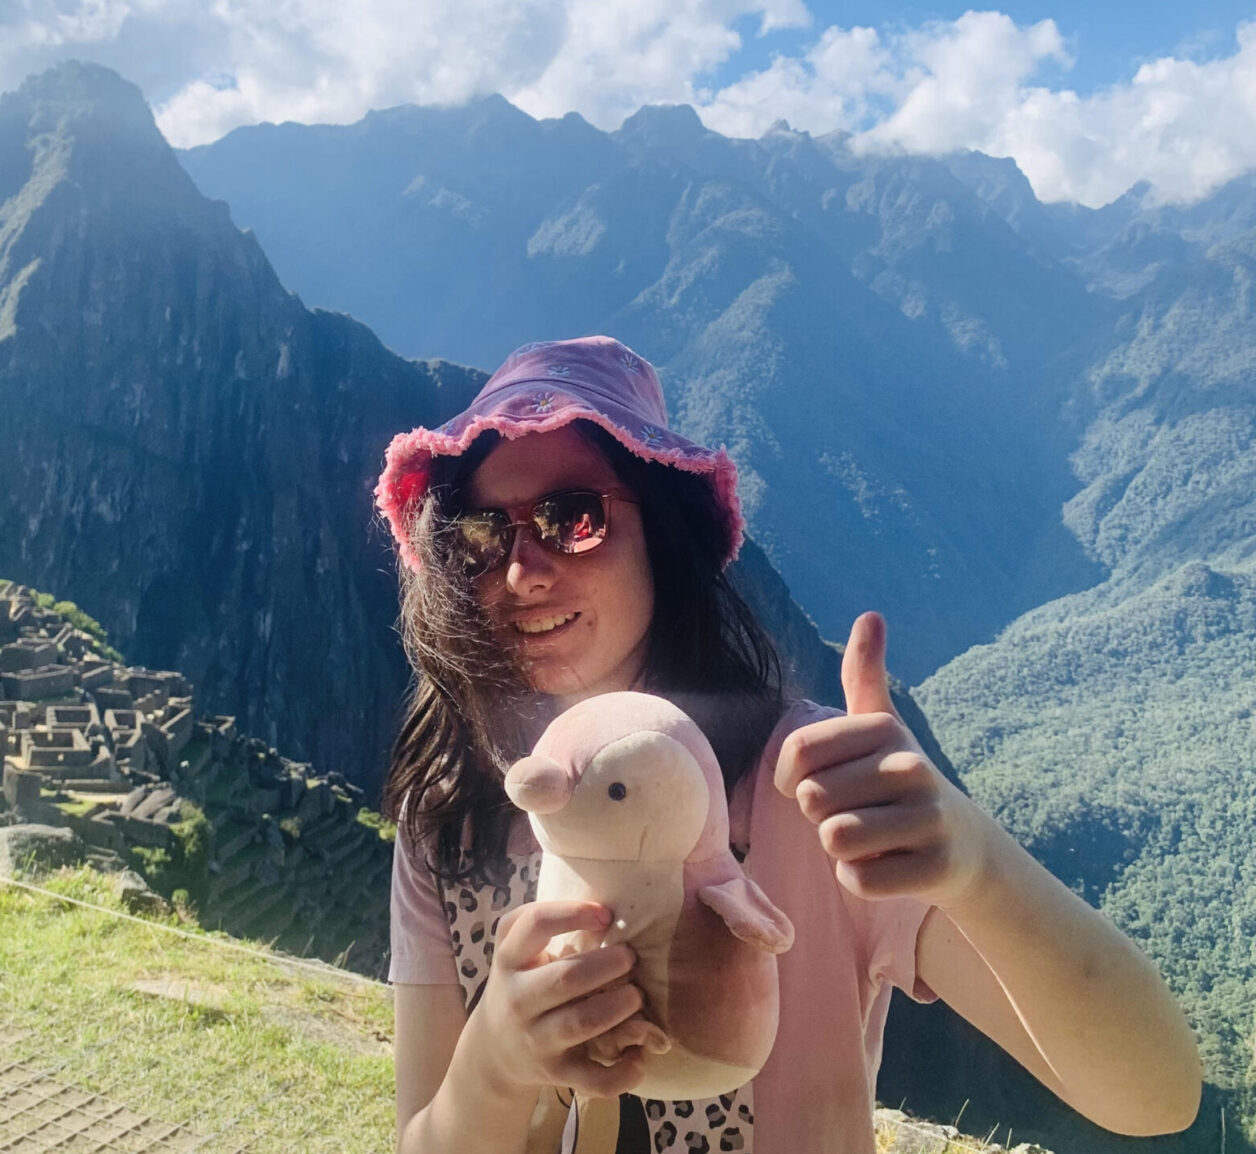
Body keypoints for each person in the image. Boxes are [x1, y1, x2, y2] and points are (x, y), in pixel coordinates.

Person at [374, 336, 1201, 1153]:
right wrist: (496, 1061)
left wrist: (977, 865)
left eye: (573, 519)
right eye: (482, 536)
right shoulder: (450, 815)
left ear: (664, 535)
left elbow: (1154, 1097)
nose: (522, 572)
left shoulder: (811, 787)